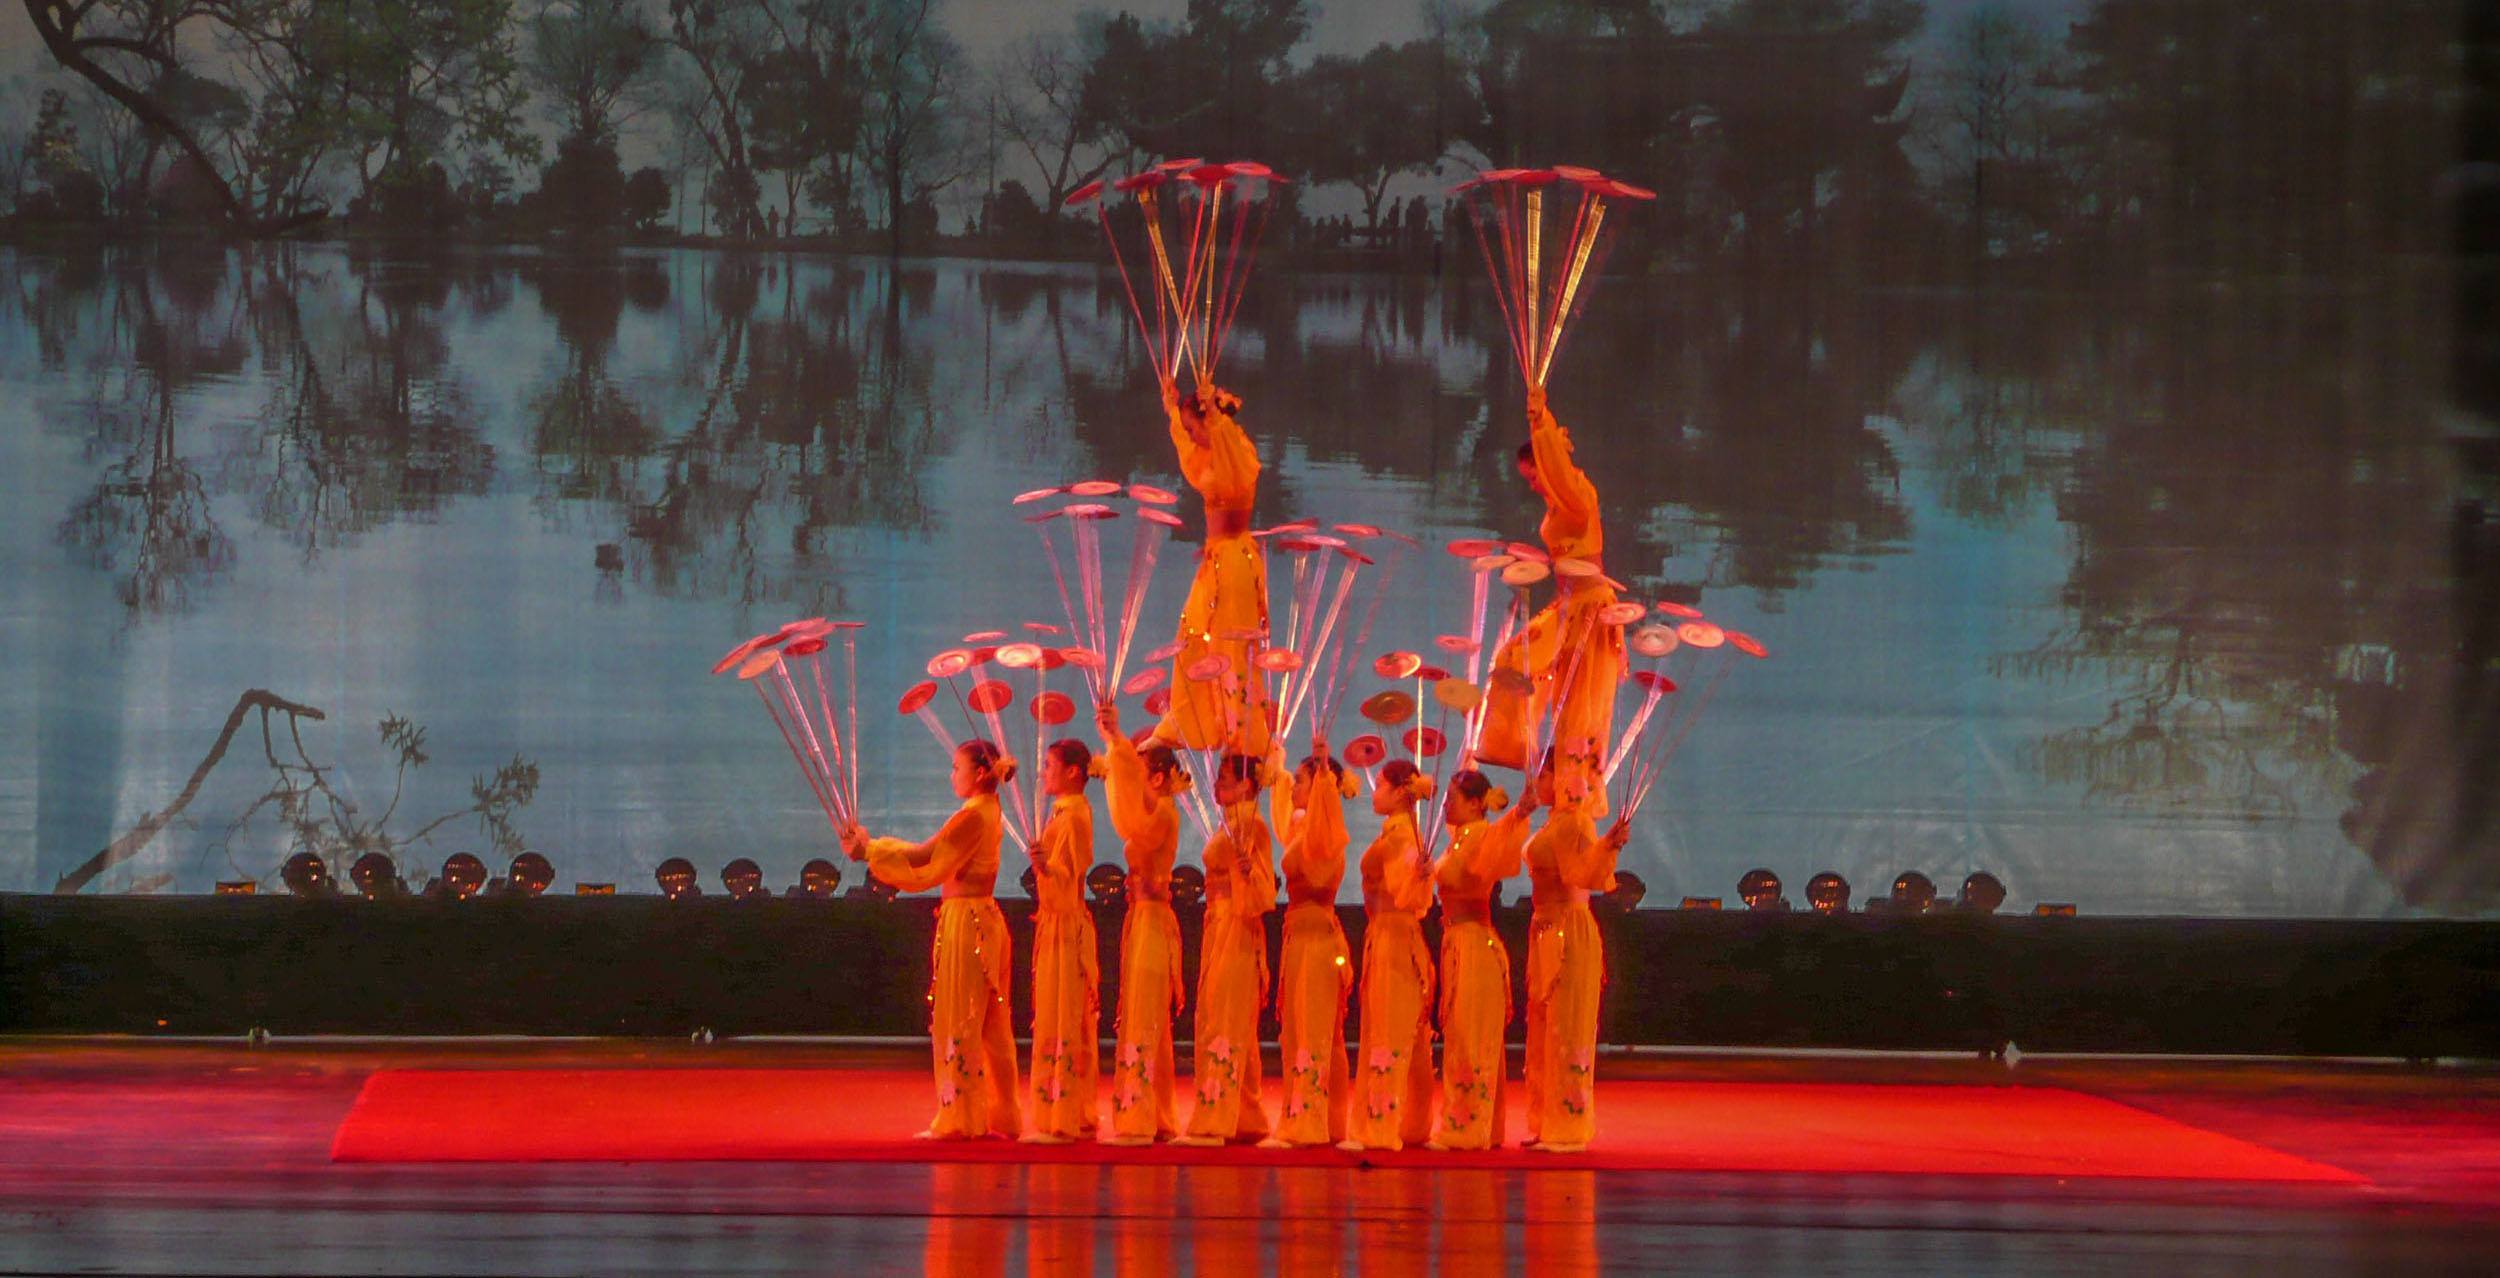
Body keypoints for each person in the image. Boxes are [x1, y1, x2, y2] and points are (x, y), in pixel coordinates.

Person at [841, 740, 1022, 1140]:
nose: (951, 775)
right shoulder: (985, 811)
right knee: (991, 1025)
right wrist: (872, 849)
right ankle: (1000, 1116)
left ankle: (962, 1117)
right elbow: (931, 854)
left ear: (979, 773)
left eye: (956, 768)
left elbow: (927, 859)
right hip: (983, 919)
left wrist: (871, 849)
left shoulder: (973, 816)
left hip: (968, 922)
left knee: (961, 1018)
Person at [1478, 387, 1624, 816]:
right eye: (1530, 479)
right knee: (1512, 660)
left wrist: (1542, 424)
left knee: (1579, 713)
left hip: (1592, 609)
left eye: (1536, 475)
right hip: (1567, 608)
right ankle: (1520, 750)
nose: (1535, 484)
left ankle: (1576, 798)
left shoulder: (1579, 496)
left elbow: (1560, 471)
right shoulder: (1559, 502)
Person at [1150, 382, 1272, 756]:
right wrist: (1174, 411)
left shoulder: (1236, 454)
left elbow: (1224, 444)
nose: (1191, 436)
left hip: (1235, 562)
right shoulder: (1207, 453)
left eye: (1193, 427)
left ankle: (1240, 734)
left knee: (1229, 643)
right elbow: (1187, 446)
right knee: (1192, 632)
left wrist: (1216, 419)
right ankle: (1191, 724)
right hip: (1217, 560)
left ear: (1211, 421)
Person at [1520, 754, 1630, 1154]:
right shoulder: (1554, 820)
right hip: (1545, 928)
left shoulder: (1576, 821)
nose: (1538, 781)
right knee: (1542, 1030)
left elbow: (1584, 875)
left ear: (1561, 777)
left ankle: (1567, 1123)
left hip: (1570, 929)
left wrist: (1606, 847)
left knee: (1567, 1028)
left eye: (1544, 774)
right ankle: (1544, 1119)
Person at [1096, 703, 1191, 1145]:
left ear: (1157, 777)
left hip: (1154, 919)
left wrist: (1117, 747)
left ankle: (1145, 1116)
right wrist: (1115, 742)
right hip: (1142, 919)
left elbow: (1136, 836)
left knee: (1148, 1015)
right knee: (1141, 1012)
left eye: (1139, 769)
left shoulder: (1164, 813)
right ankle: (1152, 1114)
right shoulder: (1150, 810)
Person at [1171, 753, 1277, 1146]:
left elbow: (1264, 889)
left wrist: (1249, 875)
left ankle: (1216, 1117)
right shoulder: (1233, 822)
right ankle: (1246, 1116)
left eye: (1226, 778)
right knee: (1225, 1014)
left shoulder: (1253, 824)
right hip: (1219, 922)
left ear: (1247, 785)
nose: (1216, 785)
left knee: (1225, 1016)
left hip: (1235, 922)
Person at [1432, 768, 1533, 1151]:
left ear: (1476, 805)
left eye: (1453, 799)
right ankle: (1480, 1126)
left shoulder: (1480, 836)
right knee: (1464, 1033)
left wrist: (1518, 813)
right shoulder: (1460, 839)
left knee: (1471, 1037)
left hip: (1475, 943)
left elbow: (1495, 844)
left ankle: (1466, 1127)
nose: (1445, 806)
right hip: (1459, 942)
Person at [1341, 759, 1439, 1152]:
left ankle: (1381, 1128)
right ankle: (1411, 1125)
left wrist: (1420, 875)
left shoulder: (1401, 836)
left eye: (1380, 785)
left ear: (1401, 792)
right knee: (1399, 1031)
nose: (1374, 791)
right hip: (1386, 935)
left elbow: (1408, 896)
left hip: (1395, 936)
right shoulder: (1396, 833)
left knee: (1391, 1031)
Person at [1262, 738, 1353, 1149]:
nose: (1293, 789)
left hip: (1318, 940)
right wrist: (1279, 764)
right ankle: (1324, 1120)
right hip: (1301, 936)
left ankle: (1308, 1122)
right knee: (1304, 1028)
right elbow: (1286, 818)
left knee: (1313, 1029)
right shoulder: (1304, 829)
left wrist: (1324, 777)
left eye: (1300, 782)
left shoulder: (1326, 833)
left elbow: (1314, 815)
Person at [1024, 738, 1100, 1143]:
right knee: (1060, 1013)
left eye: (1051, 764)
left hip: (1065, 921)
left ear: (1074, 772)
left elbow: (1071, 873)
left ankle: (1063, 1114)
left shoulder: (1073, 816)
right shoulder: (1065, 812)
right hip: (1058, 921)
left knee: (1062, 1015)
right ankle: (1065, 1108)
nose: (1045, 772)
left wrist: (1046, 867)